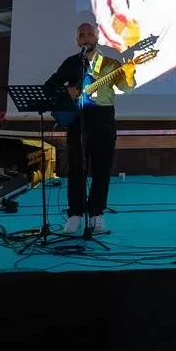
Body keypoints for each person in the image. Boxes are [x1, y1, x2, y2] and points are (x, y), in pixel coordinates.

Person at [43, 22, 136, 235]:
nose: (86, 38)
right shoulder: (71, 63)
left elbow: (127, 87)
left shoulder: (111, 64)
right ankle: (75, 215)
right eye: (82, 35)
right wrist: (67, 90)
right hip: (78, 119)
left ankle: (97, 215)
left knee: (102, 168)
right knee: (76, 167)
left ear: (97, 37)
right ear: (77, 40)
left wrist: (130, 71)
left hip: (103, 118)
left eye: (90, 34)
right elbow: (49, 86)